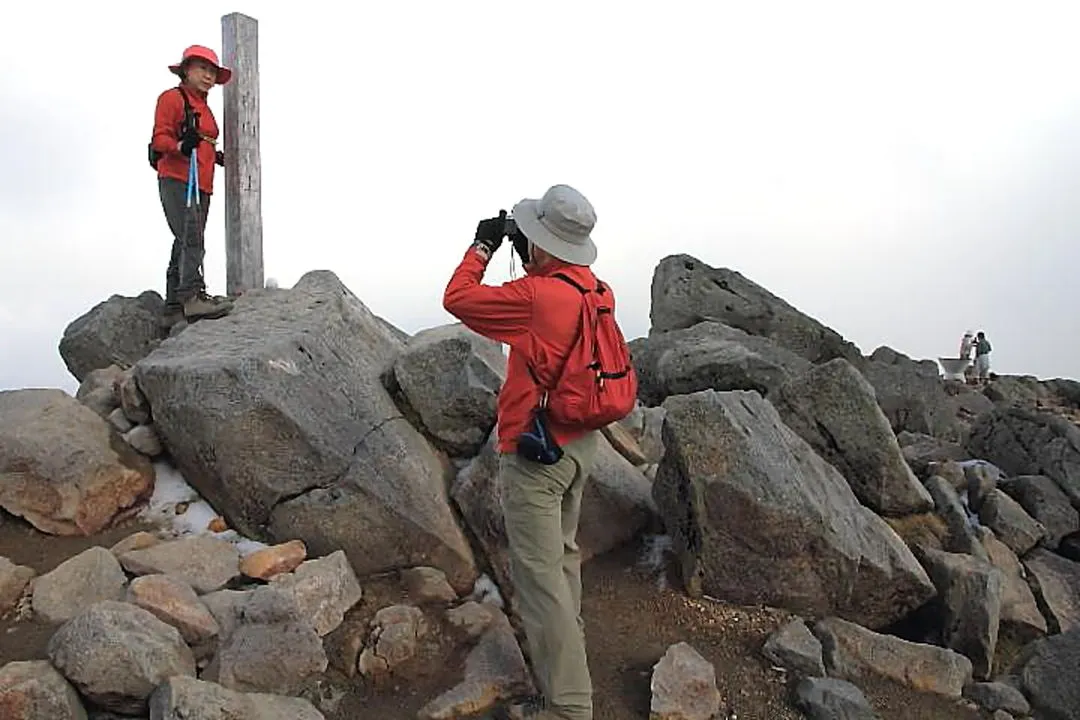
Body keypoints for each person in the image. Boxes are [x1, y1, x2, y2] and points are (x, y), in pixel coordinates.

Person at [443, 184, 618, 720]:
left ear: (543, 241)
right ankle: (569, 672)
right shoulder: (595, 289)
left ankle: (568, 708)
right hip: (579, 443)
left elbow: (458, 299)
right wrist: (533, 256)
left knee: (540, 586)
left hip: (537, 455)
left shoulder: (537, 297)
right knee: (561, 566)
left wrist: (482, 247)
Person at [149, 45, 234, 327]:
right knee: (192, 237)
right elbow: (160, 139)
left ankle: (174, 308)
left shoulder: (203, 105)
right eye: (202, 69)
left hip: (202, 180)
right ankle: (192, 297)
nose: (208, 76)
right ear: (186, 70)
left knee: (184, 238)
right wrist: (179, 146)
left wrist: (216, 156)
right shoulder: (172, 98)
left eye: (212, 71)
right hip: (178, 177)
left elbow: (204, 142)